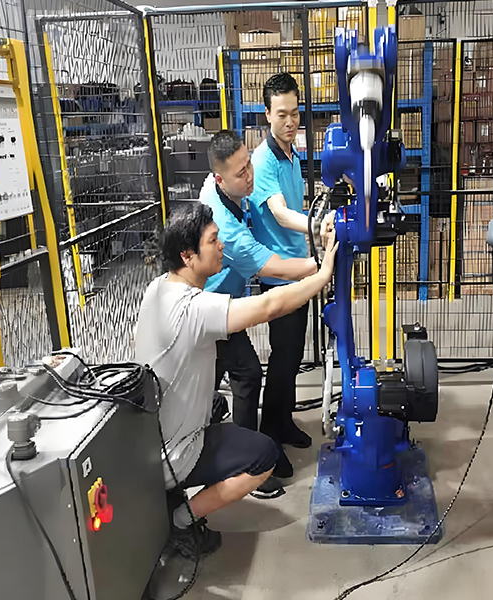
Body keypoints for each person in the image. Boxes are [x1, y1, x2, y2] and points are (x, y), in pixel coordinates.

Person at [134, 202, 337, 560]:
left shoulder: (157, 289)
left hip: (148, 442)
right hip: (175, 454)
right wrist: (321, 276)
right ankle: (181, 520)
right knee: (264, 456)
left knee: (219, 402)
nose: (221, 245)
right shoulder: (193, 309)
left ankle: (172, 496)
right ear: (188, 255)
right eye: (213, 241)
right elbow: (268, 306)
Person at [200, 129, 333, 498]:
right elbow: (272, 267)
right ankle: (245, 466)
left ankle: (233, 449)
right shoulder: (226, 230)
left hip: (224, 302)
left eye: (249, 164)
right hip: (209, 310)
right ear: (220, 178)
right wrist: (322, 263)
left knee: (225, 380)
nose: (250, 176)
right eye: (241, 172)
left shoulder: (224, 188)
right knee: (244, 374)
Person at [247, 73, 313, 479]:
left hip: (299, 269)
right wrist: (320, 226)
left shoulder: (292, 153)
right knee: (282, 357)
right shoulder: (263, 161)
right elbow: (280, 213)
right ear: (267, 114)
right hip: (278, 275)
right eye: (282, 114)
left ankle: (284, 421)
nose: (290, 122)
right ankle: (270, 437)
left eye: (295, 113)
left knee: (292, 357)